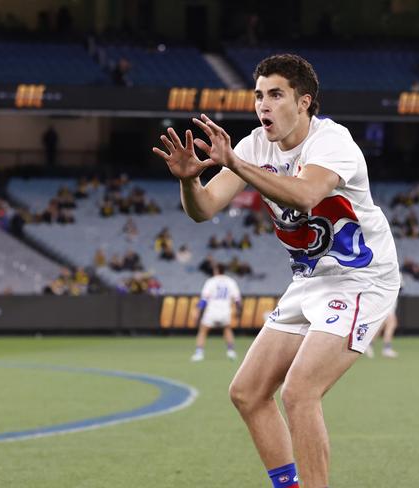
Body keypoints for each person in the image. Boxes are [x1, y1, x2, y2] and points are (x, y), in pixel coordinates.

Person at [152, 53, 400, 488]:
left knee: (300, 392)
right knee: (247, 393)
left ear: (304, 102)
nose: (263, 105)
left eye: (275, 95)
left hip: (361, 277)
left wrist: (235, 163)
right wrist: (190, 181)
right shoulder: (251, 147)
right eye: (258, 96)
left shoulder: (332, 142)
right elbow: (204, 209)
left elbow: (305, 195)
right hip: (308, 281)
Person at [191, 264, 241, 362]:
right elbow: (237, 299)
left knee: (203, 331)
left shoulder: (211, 281)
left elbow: (204, 300)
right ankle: (231, 351)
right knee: (227, 329)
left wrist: (198, 310)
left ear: (216, 270)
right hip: (225, 311)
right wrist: (239, 310)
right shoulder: (230, 281)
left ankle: (199, 353)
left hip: (212, 311)